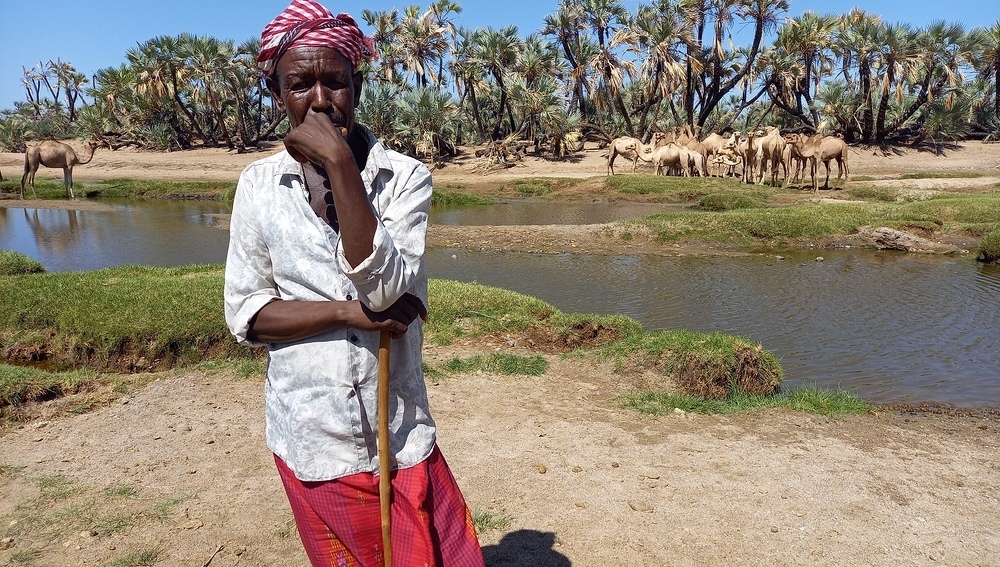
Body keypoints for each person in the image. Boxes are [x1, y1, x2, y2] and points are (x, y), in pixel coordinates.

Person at [223, 1, 485, 565]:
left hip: (399, 433)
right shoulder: (259, 186)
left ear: (357, 86)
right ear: (277, 93)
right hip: (311, 437)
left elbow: (387, 292)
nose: (320, 101)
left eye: (334, 83)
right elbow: (248, 315)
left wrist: (342, 166)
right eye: (300, 85)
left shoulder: (404, 179)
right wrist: (346, 315)